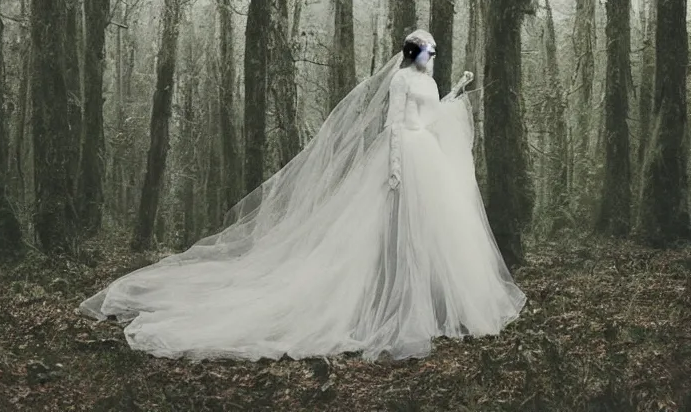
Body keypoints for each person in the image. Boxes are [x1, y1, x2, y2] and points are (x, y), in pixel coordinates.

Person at [79, 30, 526, 362]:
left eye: (434, 53)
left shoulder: (428, 82)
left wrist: (456, 91)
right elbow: (394, 126)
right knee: (395, 229)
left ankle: (433, 300)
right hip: (404, 156)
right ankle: (389, 299)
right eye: (429, 51)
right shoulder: (401, 81)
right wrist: (392, 170)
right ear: (416, 53)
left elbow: (431, 117)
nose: (433, 56)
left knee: (435, 229)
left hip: (426, 154)